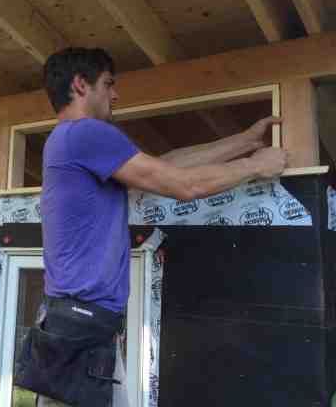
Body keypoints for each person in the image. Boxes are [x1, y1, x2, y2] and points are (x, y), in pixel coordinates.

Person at [16, 47, 288, 407]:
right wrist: (254, 166)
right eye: (108, 84)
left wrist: (245, 142)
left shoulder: (71, 143)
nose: (115, 94)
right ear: (81, 85)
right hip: (80, 329)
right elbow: (184, 185)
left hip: (78, 325)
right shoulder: (85, 134)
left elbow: (166, 166)